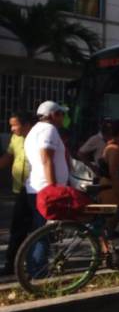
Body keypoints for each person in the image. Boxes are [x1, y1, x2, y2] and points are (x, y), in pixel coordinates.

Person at [23, 102, 71, 274]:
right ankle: (38, 272)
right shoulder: (47, 130)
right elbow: (46, 159)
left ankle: (34, 268)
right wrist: (53, 189)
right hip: (44, 188)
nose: (63, 118)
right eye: (61, 114)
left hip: (36, 188)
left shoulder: (34, 130)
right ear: (52, 115)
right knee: (44, 232)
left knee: (39, 231)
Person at [0, 111, 34, 275]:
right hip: (19, 188)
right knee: (17, 228)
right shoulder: (16, 138)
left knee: (33, 228)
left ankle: (34, 264)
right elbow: (8, 156)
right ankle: (11, 264)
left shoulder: (36, 137)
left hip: (34, 188)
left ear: (26, 125)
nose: (12, 129)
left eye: (15, 125)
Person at [97, 120, 119, 206]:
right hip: (111, 189)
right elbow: (114, 174)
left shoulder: (116, 147)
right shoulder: (114, 149)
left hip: (112, 187)